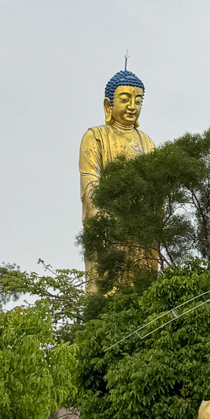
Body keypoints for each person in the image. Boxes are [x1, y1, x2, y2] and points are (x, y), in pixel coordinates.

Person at [79, 68, 154, 286]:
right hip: (108, 226)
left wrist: (148, 215)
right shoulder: (95, 137)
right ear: (108, 105)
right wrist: (107, 218)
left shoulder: (147, 143)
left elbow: (156, 187)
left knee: (141, 288)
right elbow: (90, 182)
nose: (132, 106)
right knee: (107, 288)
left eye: (138, 101)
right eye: (125, 99)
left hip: (140, 228)